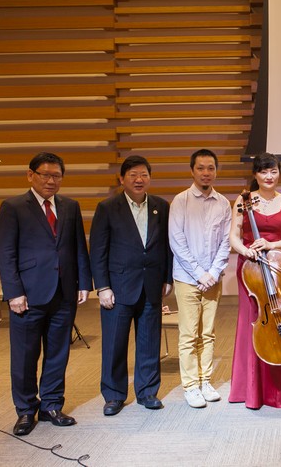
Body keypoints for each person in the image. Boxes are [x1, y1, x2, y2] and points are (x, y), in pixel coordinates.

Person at [0, 152, 92, 436]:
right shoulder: (13, 207)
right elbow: (6, 252)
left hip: (63, 293)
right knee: (25, 356)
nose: (51, 181)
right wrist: (14, 292)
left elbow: (78, 248)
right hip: (27, 294)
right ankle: (25, 410)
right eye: (45, 175)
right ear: (30, 175)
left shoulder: (70, 206)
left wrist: (84, 283)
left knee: (58, 353)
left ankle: (51, 405)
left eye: (57, 176)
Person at [89, 155, 174, 416]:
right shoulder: (107, 207)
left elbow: (167, 247)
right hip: (118, 288)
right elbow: (98, 250)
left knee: (149, 342)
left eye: (144, 175)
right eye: (133, 175)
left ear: (150, 178)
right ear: (122, 179)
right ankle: (114, 395)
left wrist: (167, 278)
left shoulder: (161, 206)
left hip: (151, 286)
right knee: (115, 344)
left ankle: (147, 391)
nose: (139, 180)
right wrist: (102, 287)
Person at [229, 152, 281, 409]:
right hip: (250, 269)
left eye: (273, 171)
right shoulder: (244, 199)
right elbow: (234, 236)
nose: (269, 177)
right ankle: (249, 389)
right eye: (263, 172)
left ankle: (277, 389)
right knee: (252, 323)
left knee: (278, 321)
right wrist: (245, 250)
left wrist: (270, 244)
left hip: (277, 265)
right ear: (255, 175)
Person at [168, 149, 232, 408]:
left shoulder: (224, 203)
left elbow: (226, 242)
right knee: (188, 334)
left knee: (208, 333)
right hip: (187, 278)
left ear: (216, 171)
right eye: (201, 168)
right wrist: (200, 274)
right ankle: (191, 386)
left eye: (211, 168)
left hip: (213, 279)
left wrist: (213, 273)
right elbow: (177, 241)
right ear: (192, 170)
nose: (206, 173)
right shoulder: (181, 201)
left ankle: (205, 380)